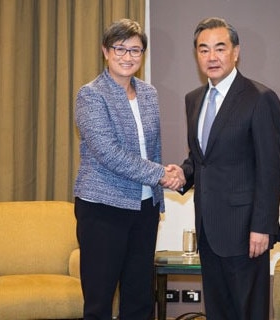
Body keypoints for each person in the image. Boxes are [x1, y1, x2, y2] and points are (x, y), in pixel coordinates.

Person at [73, 18, 184, 320]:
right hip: (103, 208)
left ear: (142, 55)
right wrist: (160, 174)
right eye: (120, 49)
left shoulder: (149, 93)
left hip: (145, 206)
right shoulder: (91, 94)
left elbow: (151, 146)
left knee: (138, 299)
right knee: (99, 300)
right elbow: (108, 152)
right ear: (105, 52)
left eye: (135, 50)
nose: (127, 56)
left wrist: (164, 176)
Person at [179, 17, 280, 320]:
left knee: (248, 312)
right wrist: (182, 175)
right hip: (209, 229)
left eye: (220, 48)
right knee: (218, 311)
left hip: (245, 231)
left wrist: (262, 227)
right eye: (203, 50)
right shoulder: (193, 100)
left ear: (235, 52)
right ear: (197, 55)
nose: (211, 57)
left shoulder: (260, 99)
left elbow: (271, 169)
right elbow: (201, 159)